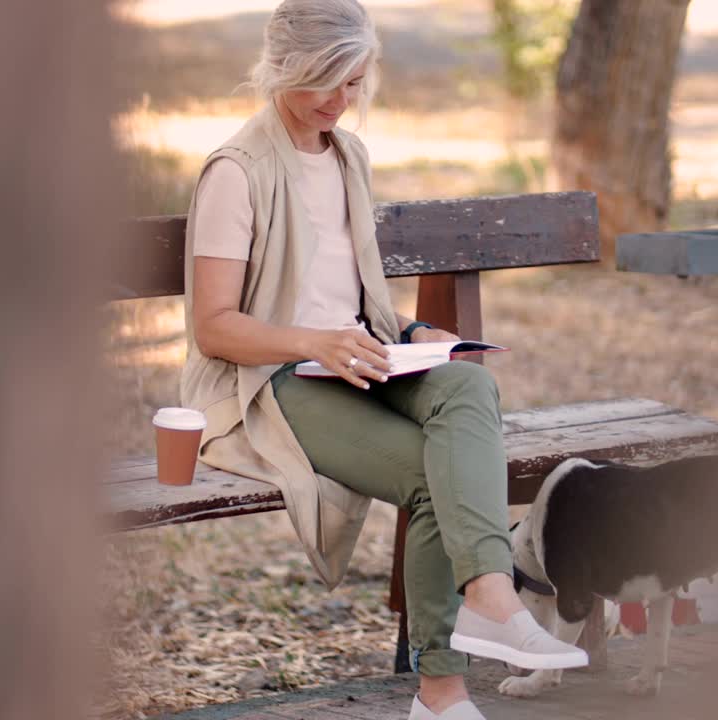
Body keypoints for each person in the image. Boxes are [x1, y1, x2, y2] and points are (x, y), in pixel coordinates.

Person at [179, 2, 588, 717]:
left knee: (466, 384)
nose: (342, 103)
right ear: (284, 71)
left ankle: (485, 602)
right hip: (269, 381)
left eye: (356, 84)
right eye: (327, 84)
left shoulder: (348, 156)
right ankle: (444, 689)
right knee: (439, 475)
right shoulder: (236, 174)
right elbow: (214, 328)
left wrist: (415, 331)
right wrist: (314, 343)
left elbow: (342, 294)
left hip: (356, 357)